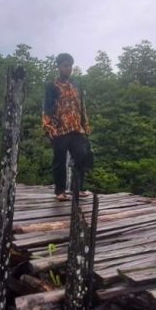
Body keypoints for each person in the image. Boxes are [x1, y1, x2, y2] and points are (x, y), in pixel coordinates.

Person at [43, 53, 91, 201]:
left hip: (76, 128)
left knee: (82, 156)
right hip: (59, 128)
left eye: (70, 66)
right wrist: (48, 127)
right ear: (58, 67)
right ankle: (60, 191)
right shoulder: (52, 86)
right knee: (59, 161)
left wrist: (85, 124)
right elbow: (47, 107)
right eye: (65, 66)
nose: (68, 69)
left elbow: (81, 105)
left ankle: (78, 187)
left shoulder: (77, 84)